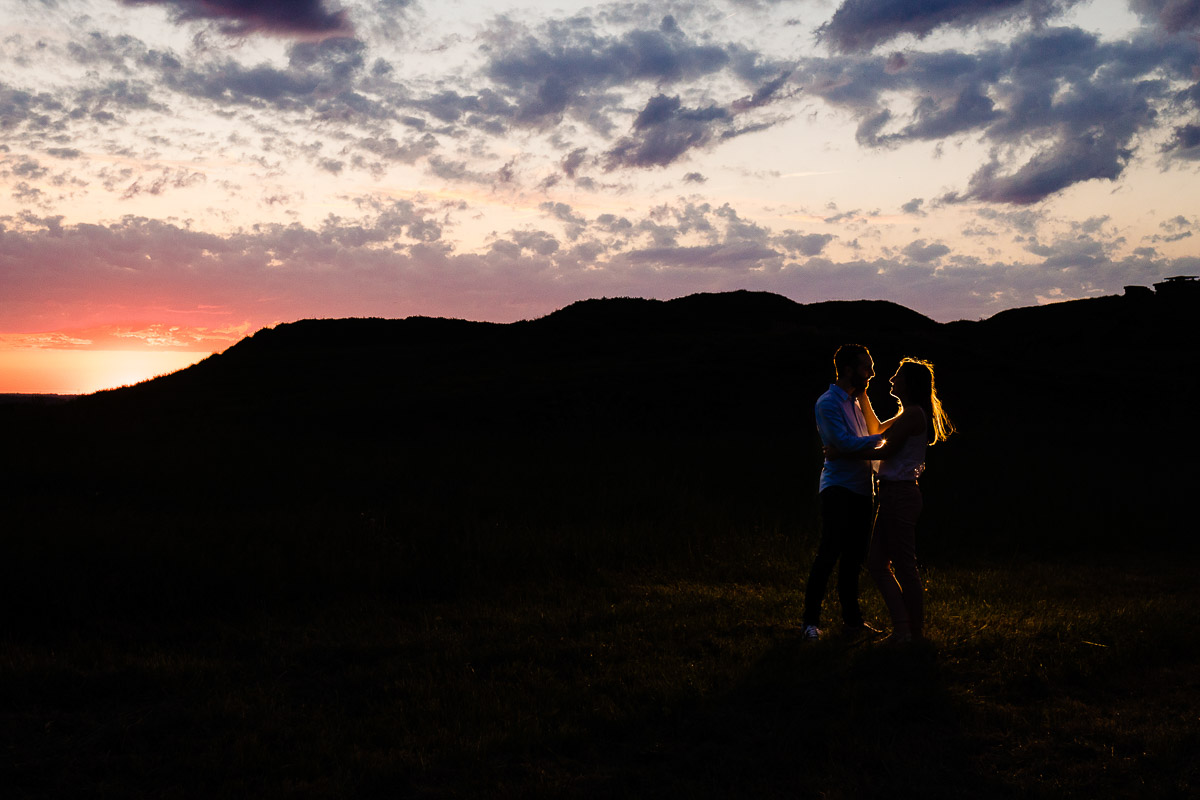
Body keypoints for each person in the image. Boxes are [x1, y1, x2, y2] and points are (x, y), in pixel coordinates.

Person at [827, 358, 954, 646]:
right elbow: (876, 430)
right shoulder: (907, 413)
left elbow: (885, 451)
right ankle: (903, 630)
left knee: (903, 566)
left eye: (898, 375)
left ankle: (912, 633)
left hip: (900, 496)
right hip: (892, 495)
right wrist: (863, 396)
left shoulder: (913, 415)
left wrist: (843, 453)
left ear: (909, 383)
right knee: (877, 563)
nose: (892, 379)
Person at [802, 344, 886, 642]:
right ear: (849, 370)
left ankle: (852, 623)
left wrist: (862, 443)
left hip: (863, 489)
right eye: (866, 367)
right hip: (838, 488)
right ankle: (809, 623)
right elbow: (846, 443)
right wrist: (882, 442)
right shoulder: (828, 403)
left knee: (853, 558)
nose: (871, 373)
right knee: (829, 552)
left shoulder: (855, 402)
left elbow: (855, 442)